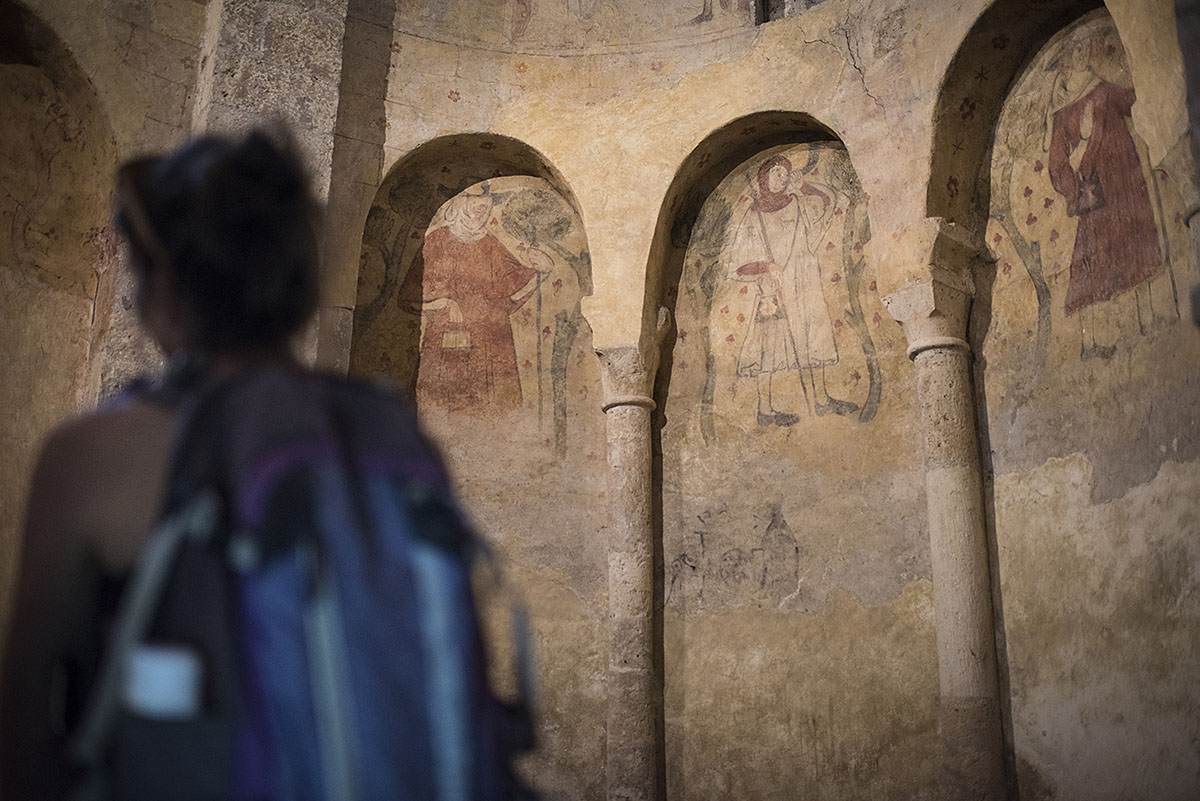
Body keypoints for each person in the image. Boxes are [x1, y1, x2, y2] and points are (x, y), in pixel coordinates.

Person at [1045, 31, 1163, 359]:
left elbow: (1132, 100)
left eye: (1086, 47)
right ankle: (1093, 342)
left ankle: (1150, 318)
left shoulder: (1103, 89)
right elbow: (1055, 163)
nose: (1082, 53)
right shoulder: (1062, 113)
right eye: (1076, 49)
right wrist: (1075, 188)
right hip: (1094, 193)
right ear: (1067, 60)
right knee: (1093, 262)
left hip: (1124, 180)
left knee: (1138, 243)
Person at [725, 153, 858, 424]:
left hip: (804, 282)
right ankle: (765, 410)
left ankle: (821, 400)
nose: (782, 180)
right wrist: (766, 266)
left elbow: (828, 203)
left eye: (786, 176)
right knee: (768, 347)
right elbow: (735, 265)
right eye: (776, 174)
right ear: (764, 177)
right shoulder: (753, 215)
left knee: (812, 336)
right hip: (772, 291)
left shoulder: (798, 204)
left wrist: (804, 188)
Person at [398, 183, 552, 414]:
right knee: (438, 406)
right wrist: (445, 303)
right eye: (476, 208)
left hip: (489, 344)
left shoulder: (490, 244)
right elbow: (409, 297)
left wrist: (541, 271)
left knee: (489, 409)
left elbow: (512, 283)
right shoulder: (437, 241)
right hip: (444, 340)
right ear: (462, 206)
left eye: (485, 210)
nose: (481, 214)